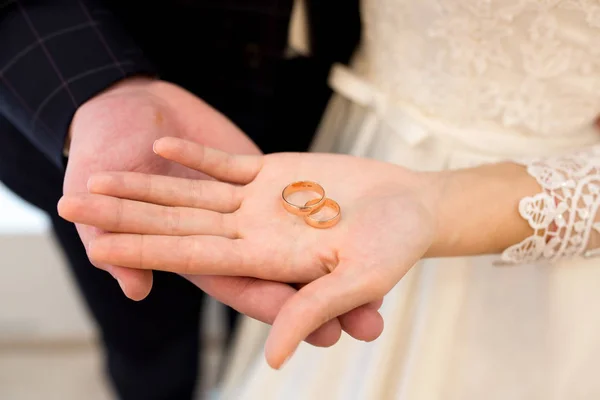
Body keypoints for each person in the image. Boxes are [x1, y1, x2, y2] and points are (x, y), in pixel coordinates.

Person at [57, 0, 600, 399]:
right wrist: (107, 91)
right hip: (347, 131)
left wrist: (434, 206)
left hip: (510, 185)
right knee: (148, 355)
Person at [0, 0, 362, 399]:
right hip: (106, 108)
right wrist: (105, 92)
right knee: (147, 349)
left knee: (274, 340)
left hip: (331, 99)